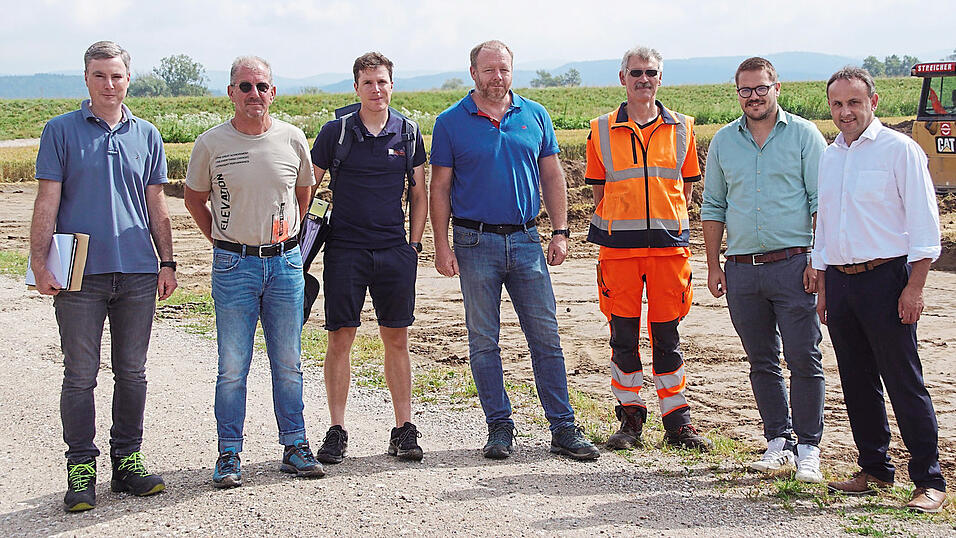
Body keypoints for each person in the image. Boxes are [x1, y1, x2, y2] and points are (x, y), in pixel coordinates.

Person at [430, 40, 599, 461]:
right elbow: (440, 187)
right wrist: (440, 244)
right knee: (484, 340)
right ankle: (499, 427)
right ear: (473, 73)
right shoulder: (451, 122)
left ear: (512, 70)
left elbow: (553, 177)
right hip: (474, 241)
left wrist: (561, 232)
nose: (497, 77)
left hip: (527, 240)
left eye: (503, 69)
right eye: (488, 70)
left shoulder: (535, 115)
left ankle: (563, 427)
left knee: (545, 335)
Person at [30, 40, 174, 512]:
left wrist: (167, 261)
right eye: (100, 75)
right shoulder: (60, 131)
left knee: (132, 373)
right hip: (79, 276)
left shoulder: (148, 134)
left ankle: (127, 462)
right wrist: (38, 262)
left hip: (136, 271)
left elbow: (157, 206)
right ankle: (81, 469)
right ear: (86, 78)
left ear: (128, 79)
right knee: (80, 375)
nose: (109, 84)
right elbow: (47, 201)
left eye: (116, 76)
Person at [184, 55, 322, 488]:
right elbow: (194, 200)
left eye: (262, 86)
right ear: (231, 93)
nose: (254, 95)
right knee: (232, 365)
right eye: (245, 87)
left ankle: (295, 446)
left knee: (289, 362)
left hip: (284, 265)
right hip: (233, 266)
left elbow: (304, 194)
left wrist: (282, 243)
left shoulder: (293, 139)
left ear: (273, 92)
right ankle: (229, 453)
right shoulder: (211, 144)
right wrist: (225, 241)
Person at [814, 67, 947, 513]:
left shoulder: (900, 151)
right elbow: (825, 225)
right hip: (842, 283)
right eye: (837, 104)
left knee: (904, 381)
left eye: (854, 102)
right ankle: (874, 469)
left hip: (887, 280)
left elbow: (925, 227)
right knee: (856, 381)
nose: (845, 111)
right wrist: (824, 286)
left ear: (874, 102)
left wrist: (915, 287)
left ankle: (929, 479)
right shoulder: (831, 156)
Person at [701, 57, 826, 481]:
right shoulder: (723, 142)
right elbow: (714, 205)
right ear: (737, 93)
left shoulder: (805, 136)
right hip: (741, 271)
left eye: (761, 88)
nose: (753, 97)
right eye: (745, 90)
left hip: (794, 265)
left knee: (805, 358)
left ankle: (809, 447)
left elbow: (820, 203)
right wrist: (713, 264)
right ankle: (779, 442)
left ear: (777, 88)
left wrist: (817, 260)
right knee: (761, 360)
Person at [585, 46, 711, 451]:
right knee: (623, 337)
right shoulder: (601, 129)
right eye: (635, 72)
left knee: (667, 337)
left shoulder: (683, 128)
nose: (643, 79)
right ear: (622, 78)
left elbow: (685, 188)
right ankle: (630, 419)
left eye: (650, 72)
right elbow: (599, 189)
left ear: (660, 78)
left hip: (668, 251)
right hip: (619, 252)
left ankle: (677, 422)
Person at [309, 52, 428, 463]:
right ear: (356, 87)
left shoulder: (409, 133)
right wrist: (297, 235)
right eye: (368, 83)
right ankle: (337, 429)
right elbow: (309, 183)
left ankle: (403, 429)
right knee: (341, 338)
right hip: (345, 250)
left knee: (397, 338)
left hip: (394, 250)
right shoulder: (335, 132)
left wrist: (413, 246)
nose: (376, 90)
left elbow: (418, 193)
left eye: (382, 82)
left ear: (392, 85)